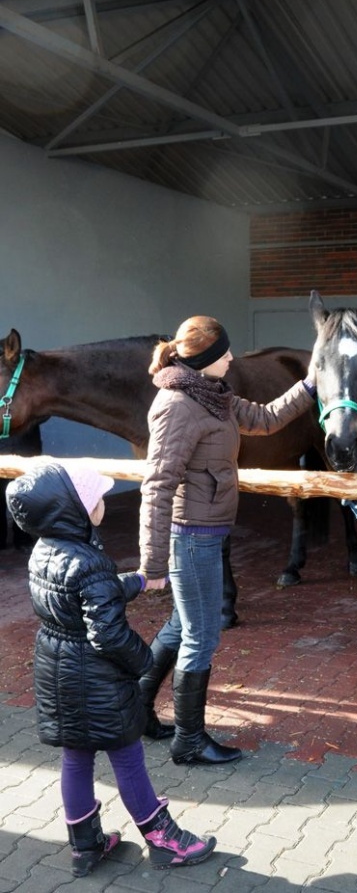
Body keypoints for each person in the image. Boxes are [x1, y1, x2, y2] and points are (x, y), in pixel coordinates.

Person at [5, 460, 216, 875]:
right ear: (76, 510)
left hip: (58, 670)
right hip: (96, 677)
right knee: (128, 756)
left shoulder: (45, 551)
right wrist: (144, 662)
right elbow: (107, 633)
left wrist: (138, 581)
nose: (102, 503)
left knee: (76, 758)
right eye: (97, 499)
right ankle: (164, 841)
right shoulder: (89, 562)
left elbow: (83, 596)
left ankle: (85, 846)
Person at [137, 315, 316, 766]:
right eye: (225, 354)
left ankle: (136, 711)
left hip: (207, 530)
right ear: (206, 361)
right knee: (201, 634)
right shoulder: (178, 406)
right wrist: (153, 564)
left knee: (183, 627)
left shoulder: (213, 395)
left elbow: (266, 418)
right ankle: (190, 741)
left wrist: (311, 385)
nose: (233, 358)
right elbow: (158, 485)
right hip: (190, 536)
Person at [0, 423, 42, 552]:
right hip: (3, 448)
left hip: (26, 448)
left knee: (25, 495)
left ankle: (23, 537)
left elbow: (45, 409)